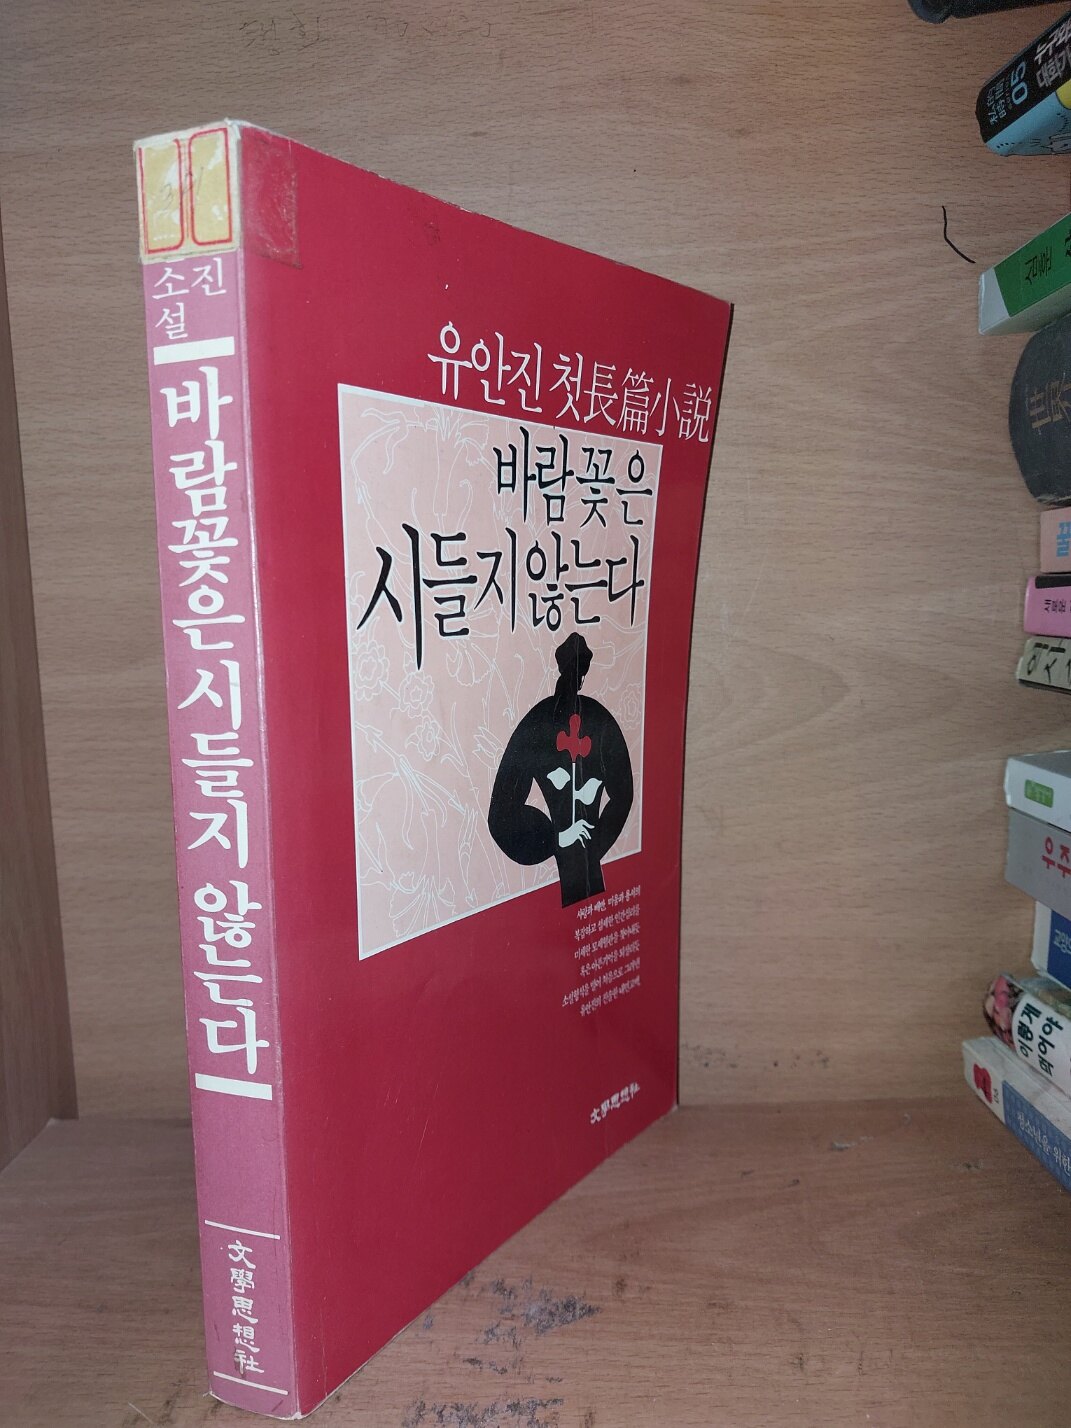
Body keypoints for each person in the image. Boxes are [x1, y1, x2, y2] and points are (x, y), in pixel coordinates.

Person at [488, 632, 633, 907]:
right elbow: (501, 813)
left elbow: (623, 794)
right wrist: (557, 839)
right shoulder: (546, 721)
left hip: (581, 851)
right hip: (571, 849)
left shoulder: (585, 719)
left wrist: (582, 844)